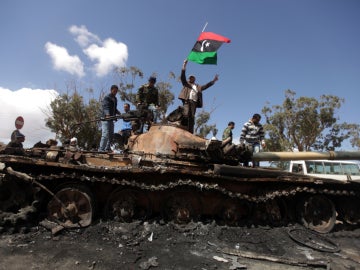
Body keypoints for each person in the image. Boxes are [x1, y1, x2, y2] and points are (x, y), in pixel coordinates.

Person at [178, 59, 218, 133]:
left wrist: (213, 81)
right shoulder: (186, 84)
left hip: (194, 102)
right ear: (189, 79)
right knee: (186, 114)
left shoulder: (198, 86)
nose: (191, 79)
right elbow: (182, 76)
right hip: (187, 101)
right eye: (190, 78)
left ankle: (190, 132)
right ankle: (182, 128)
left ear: (194, 79)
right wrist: (184, 65)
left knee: (192, 117)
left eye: (192, 78)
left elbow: (206, 86)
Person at [98, 85, 120, 152]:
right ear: (111, 90)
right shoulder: (107, 97)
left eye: (116, 91)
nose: (115, 92)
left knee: (111, 135)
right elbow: (106, 106)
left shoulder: (115, 99)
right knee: (105, 134)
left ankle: (107, 149)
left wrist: (118, 113)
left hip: (111, 119)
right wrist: (107, 114)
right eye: (114, 90)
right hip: (105, 118)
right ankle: (101, 149)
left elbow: (114, 109)